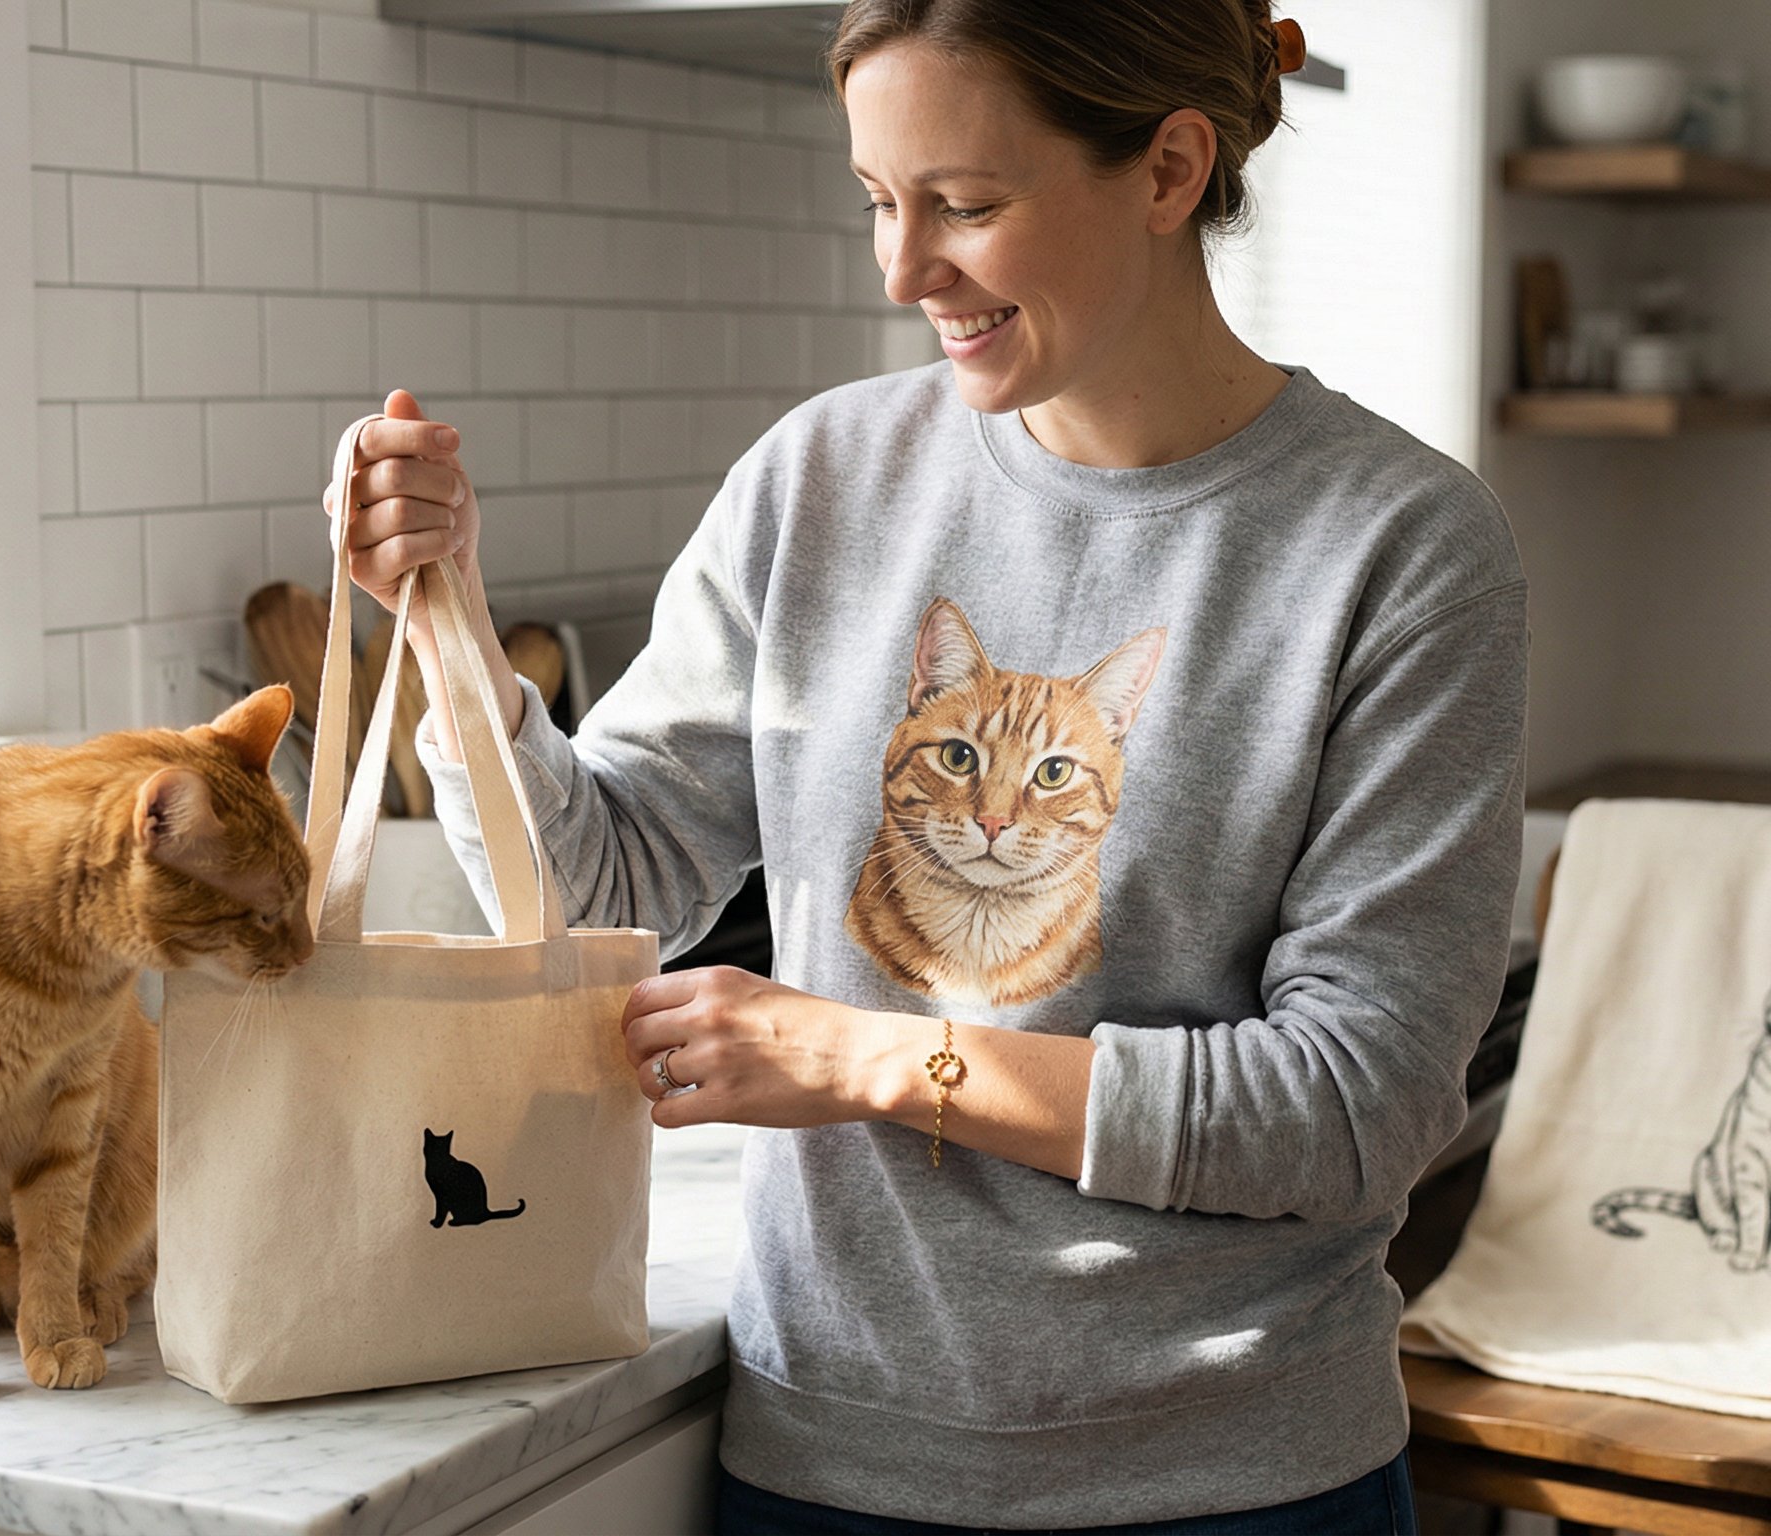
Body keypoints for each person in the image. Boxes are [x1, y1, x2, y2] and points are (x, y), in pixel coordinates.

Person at [328, 1, 1524, 1529]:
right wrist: (449, 626)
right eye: (881, 202)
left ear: (1168, 168)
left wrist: (871, 1059)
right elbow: (599, 888)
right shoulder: (821, 479)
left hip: (1231, 1485)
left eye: (965, 205)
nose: (904, 273)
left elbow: (1353, 1115)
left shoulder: (1400, 551)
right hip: (832, 1464)